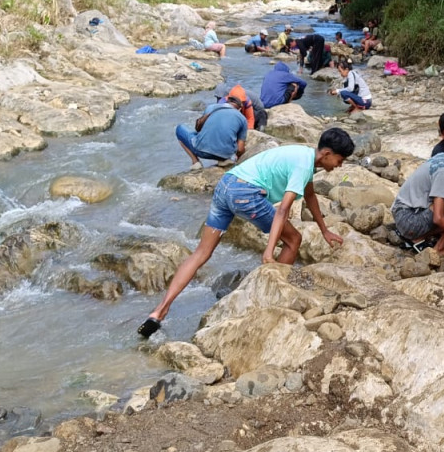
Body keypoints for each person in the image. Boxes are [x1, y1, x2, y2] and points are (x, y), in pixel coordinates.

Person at [138, 128, 355, 338]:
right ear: (327, 154)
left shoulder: (303, 156)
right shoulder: (303, 166)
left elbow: (310, 196)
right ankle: (270, 302)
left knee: (201, 253)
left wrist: (324, 230)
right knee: (293, 240)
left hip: (226, 186)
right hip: (244, 194)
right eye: (340, 160)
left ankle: (159, 311)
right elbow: (283, 210)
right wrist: (269, 252)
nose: (340, 165)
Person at [174, 90, 248, 169]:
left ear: (226, 102)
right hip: (226, 155)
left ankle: (196, 162)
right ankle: (224, 160)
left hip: (201, 152)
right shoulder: (242, 119)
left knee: (180, 129)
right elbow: (240, 149)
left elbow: (199, 129)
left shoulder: (211, 107)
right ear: (240, 109)